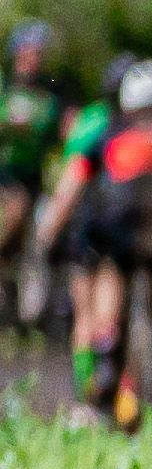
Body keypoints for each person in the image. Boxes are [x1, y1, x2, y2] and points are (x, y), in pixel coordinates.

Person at [49, 59, 152, 428]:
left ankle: (107, 355)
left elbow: (71, 185)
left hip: (117, 237)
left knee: (110, 279)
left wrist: (48, 234)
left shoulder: (108, 137)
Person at [1, 22, 57, 333]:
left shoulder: (48, 96)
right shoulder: (4, 90)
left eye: (38, 54)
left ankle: (26, 317)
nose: (33, 60)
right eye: (28, 53)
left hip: (33, 178)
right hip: (5, 178)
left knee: (32, 244)